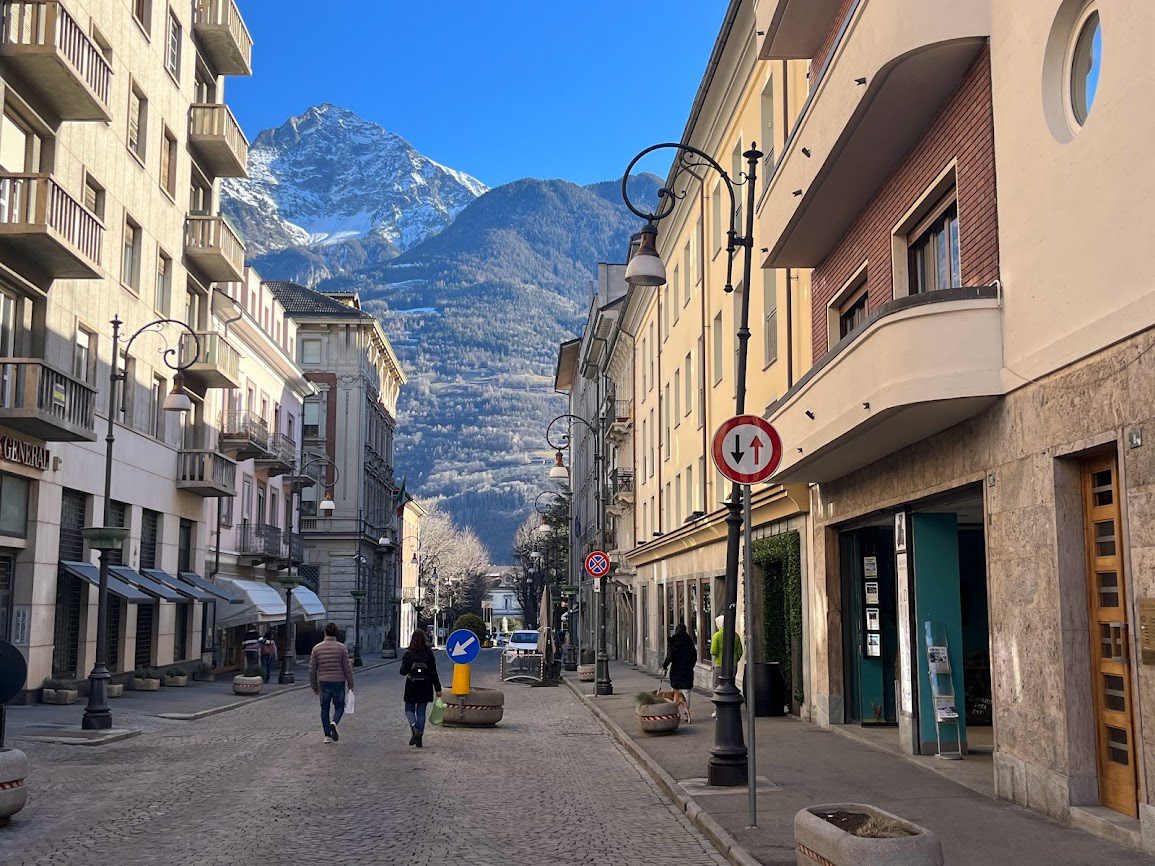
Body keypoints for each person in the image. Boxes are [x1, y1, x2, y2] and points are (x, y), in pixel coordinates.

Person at [309, 622, 355, 744]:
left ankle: (327, 736)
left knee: (324, 708)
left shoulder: (317, 648)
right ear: (336, 633)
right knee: (339, 706)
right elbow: (347, 668)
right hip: (338, 681)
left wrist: (314, 685)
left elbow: (312, 669)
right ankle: (334, 723)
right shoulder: (342, 648)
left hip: (323, 682)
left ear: (325, 632)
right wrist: (351, 684)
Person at [399, 629, 442, 748]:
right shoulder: (429, 653)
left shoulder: (409, 653)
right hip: (426, 685)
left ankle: (414, 728)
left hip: (412, 685)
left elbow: (403, 672)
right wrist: (438, 689)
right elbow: (433, 672)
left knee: (409, 708)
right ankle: (419, 739)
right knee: (421, 711)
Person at [709, 614, 743, 718]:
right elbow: (740, 651)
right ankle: (731, 705)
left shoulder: (717, 636)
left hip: (720, 665)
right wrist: (735, 660)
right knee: (731, 684)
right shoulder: (736, 635)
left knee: (717, 686)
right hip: (733, 665)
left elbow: (713, 651)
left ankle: (718, 709)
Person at [662, 622, 698, 715]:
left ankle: (674, 712)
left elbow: (669, 657)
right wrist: (691, 666)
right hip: (687, 671)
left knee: (675, 692)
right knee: (686, 692)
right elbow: (694, 656)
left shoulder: (673, 642)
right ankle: (686, 713)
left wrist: (665, 666)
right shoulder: (689, 642)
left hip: (676, 670)